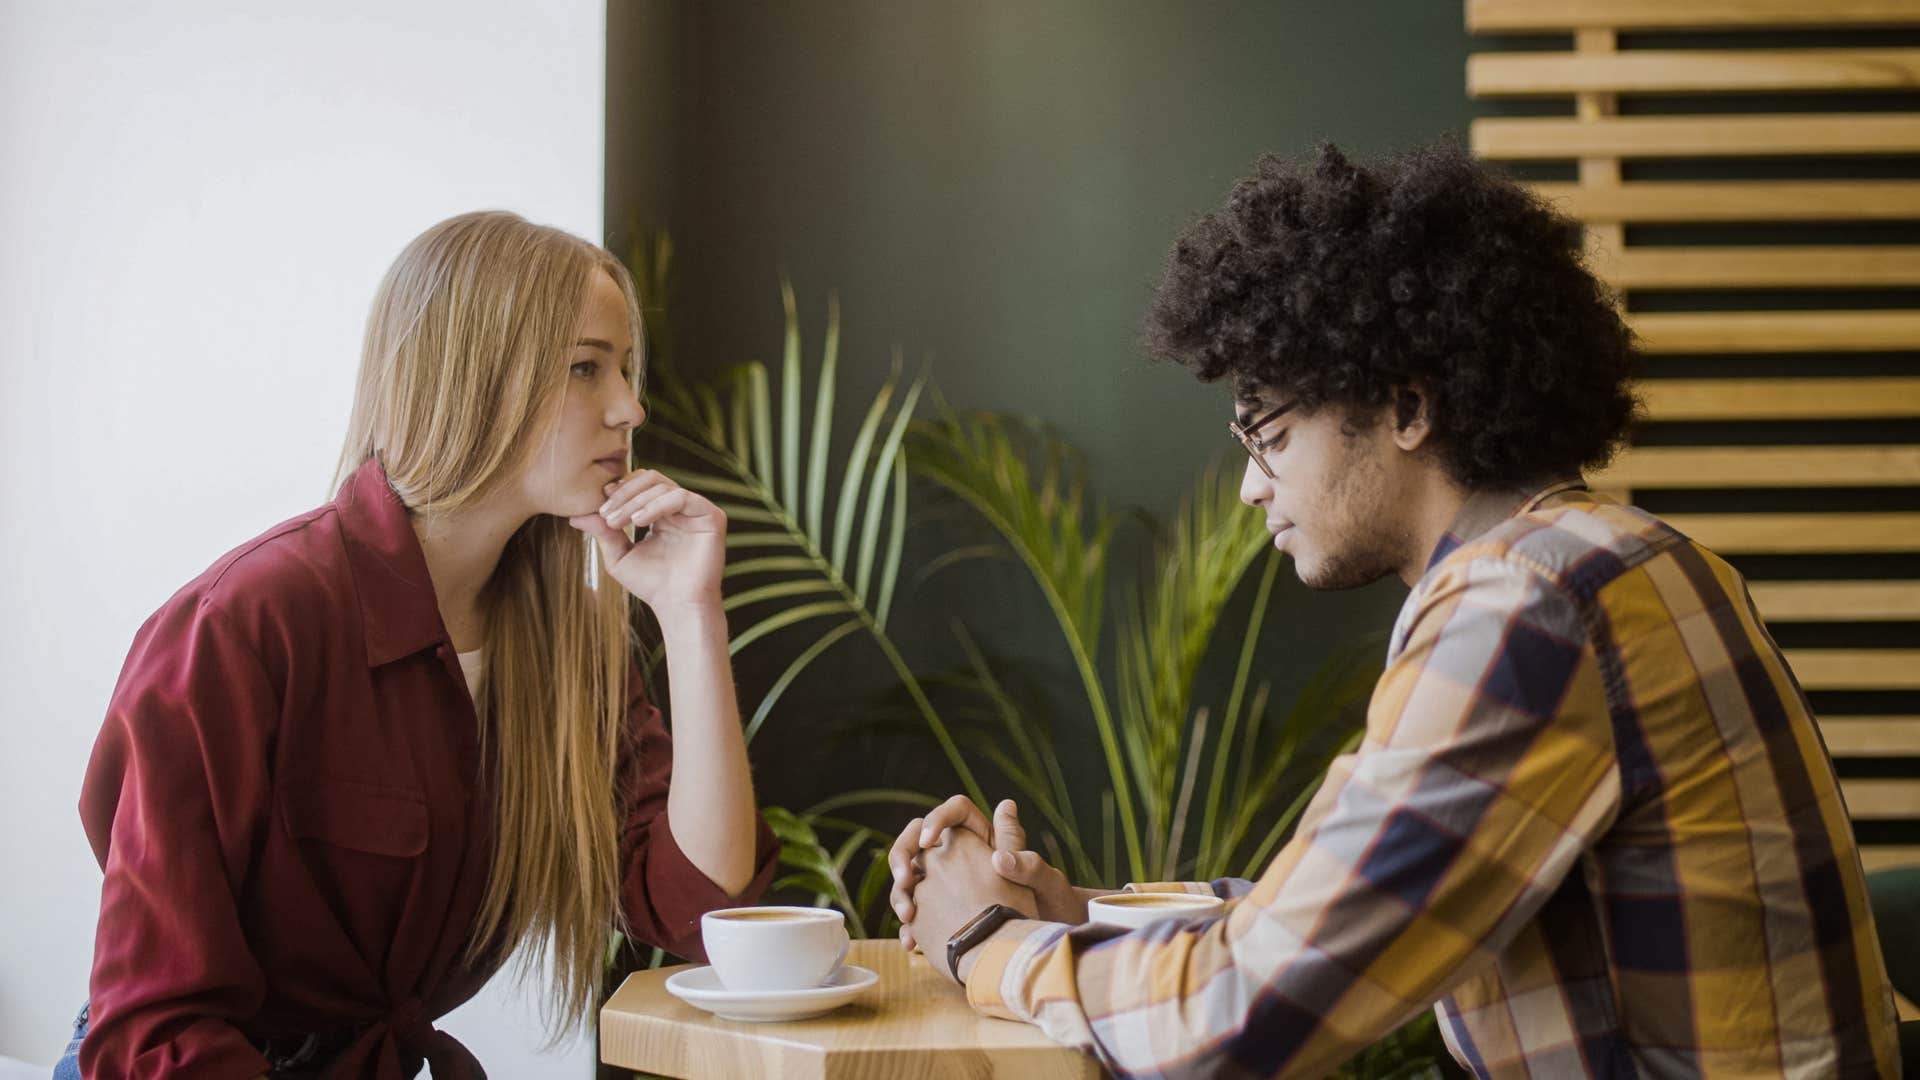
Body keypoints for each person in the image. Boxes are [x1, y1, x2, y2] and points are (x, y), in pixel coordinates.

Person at [888, 141, 1902, 1078]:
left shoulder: (1528, 604)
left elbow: (1247, 1015)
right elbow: (1340, 914)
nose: (1249, 490)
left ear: (1408, 408)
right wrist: (1077, 917)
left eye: (1270, 437)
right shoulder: (1624, 559)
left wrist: (990, 943)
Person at [59, 211, 776, 1079]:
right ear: (474, 378)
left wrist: (693, 615)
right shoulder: (247, 624)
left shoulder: (569, 647)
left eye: (624, 369)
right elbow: (152, 1033)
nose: (631, 406)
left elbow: (702, 911)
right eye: (587, 368)